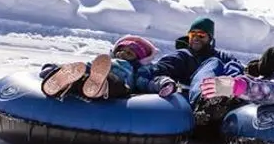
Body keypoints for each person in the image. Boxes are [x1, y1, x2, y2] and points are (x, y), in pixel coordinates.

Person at [138, 17, 245, 123]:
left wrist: (231, 85)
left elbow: (237, 68)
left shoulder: (223, 56)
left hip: (223, 102)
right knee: (214, 62)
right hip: (194, 106)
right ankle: (204, 101)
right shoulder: (183, 55)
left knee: (224, 64)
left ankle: (225, 100)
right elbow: (161, 67)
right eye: (192, 35)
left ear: (210, 38)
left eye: (201, 35)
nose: (196, 38)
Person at [40, 35, 177, 100]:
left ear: (138, 59)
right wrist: (54, 68)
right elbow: (85, 67)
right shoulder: (105, 62)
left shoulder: (139, 69)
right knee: (82, 75)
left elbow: (150, 81)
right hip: (93, 79)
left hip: (119, 87)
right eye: (121, 50)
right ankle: (62, 83)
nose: (123, 54)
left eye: (129, 53)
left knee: (114, 83)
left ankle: (100, 86)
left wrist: (165, 84)